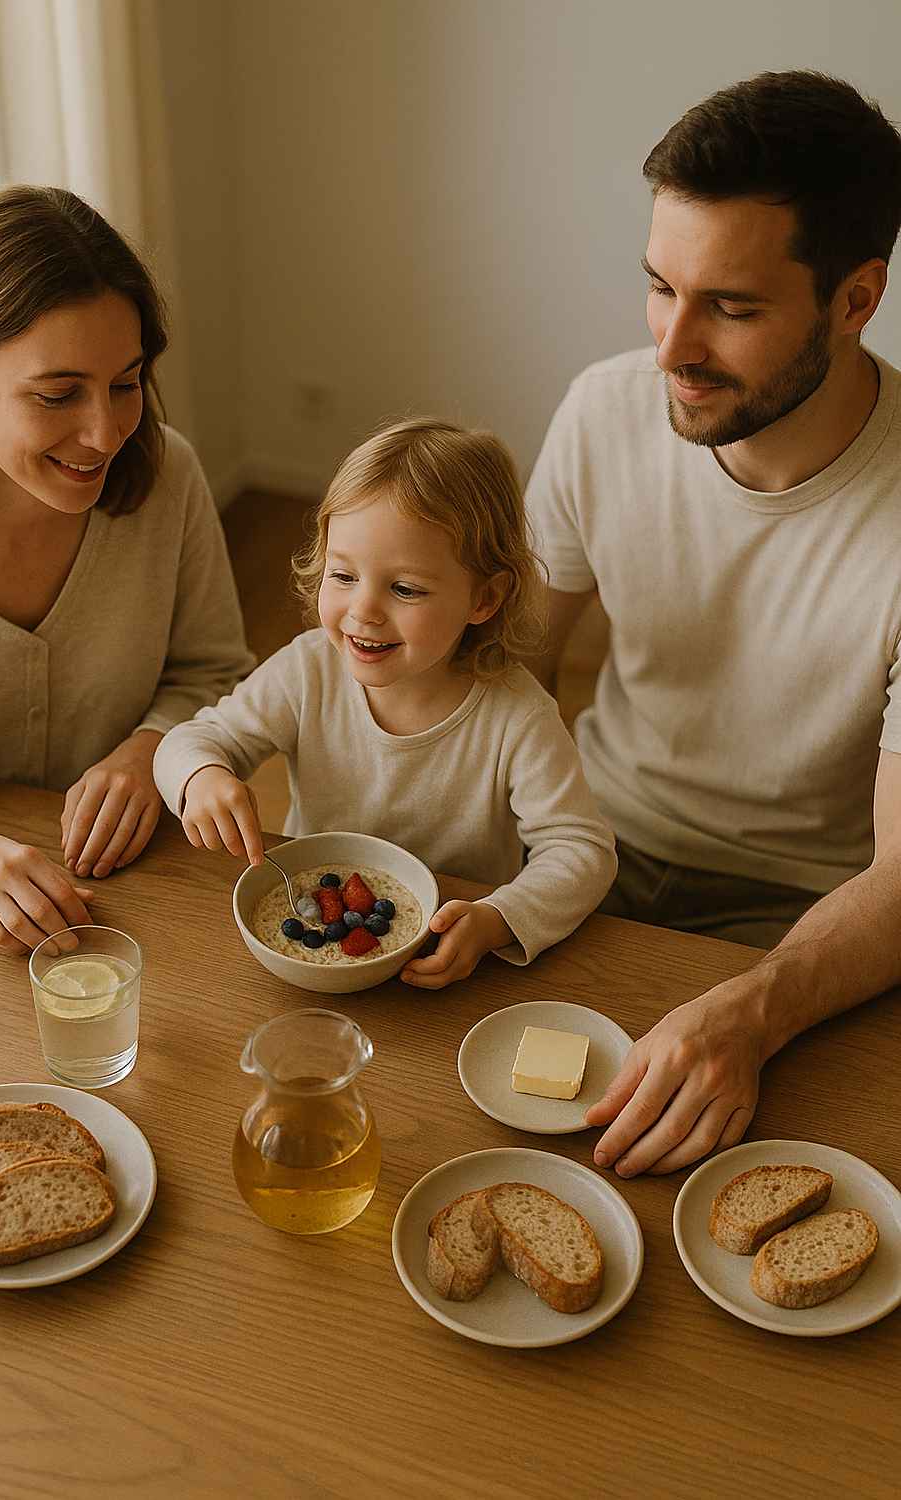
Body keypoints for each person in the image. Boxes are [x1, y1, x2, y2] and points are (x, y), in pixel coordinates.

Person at [525, 70, 901, 1176]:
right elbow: (510, 679)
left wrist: (752, 1010)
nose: (670, 349)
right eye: (659, 288)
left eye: (729, 309)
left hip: (801, 928)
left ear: (854, 298)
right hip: (585, 848)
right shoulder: (602, 411)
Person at [0, 185, 255, 953]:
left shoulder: (169, 478)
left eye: (125, 384)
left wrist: (151, 747)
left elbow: (216, 672)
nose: (105, 432)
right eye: (59, 393)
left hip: (128, 900)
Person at [154, 417, 617, 987]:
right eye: (342, 574)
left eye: (405, 589)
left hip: (447, 965)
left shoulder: (517, 718)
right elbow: (188, 740)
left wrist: (497, 920)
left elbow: (582, 851)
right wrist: (201, 775)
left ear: (485, 597)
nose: (363, 611)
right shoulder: (308, 670)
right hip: (310, 961)